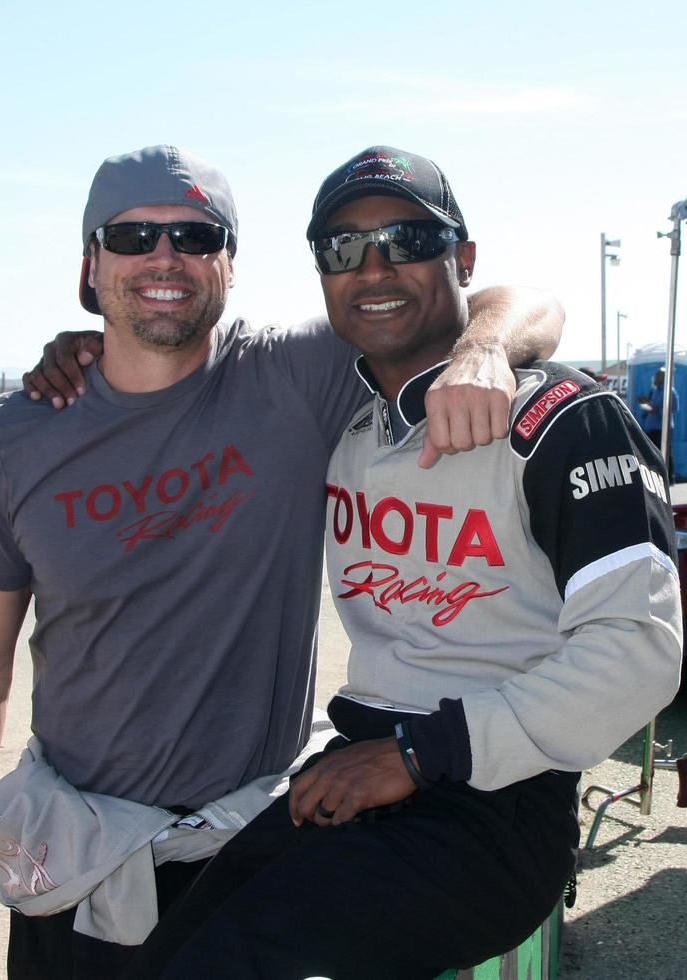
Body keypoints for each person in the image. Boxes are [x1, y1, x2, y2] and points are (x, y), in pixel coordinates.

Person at [0, 144, 564, 980]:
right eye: (133, 237)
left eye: (194, 233)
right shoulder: (15, 439)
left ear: (230, 263)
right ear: (90, 263)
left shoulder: (296, 375)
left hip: (251, 854)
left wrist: (483, 350)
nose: (164, 258)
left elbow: (523, 300)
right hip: (78, 861)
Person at [119, 147, 683, 980]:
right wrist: (81, 350)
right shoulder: (350, 424)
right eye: (343, 250)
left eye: (407, 239)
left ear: (462, 259)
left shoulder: (563, 420)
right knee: (165, 953)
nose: (374, 267)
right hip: (357, 761)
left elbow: (641, 657)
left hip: (492, 800)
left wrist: (422, 755)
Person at [638, 366, 680, 481]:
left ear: (663, 378)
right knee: (652, 452)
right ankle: (656, 476)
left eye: (658, 376)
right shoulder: (655, 390)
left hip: (662, 427)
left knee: (666, 452)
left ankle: (670, 477)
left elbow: (674, 408)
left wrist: (657, 410)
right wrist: (646, 404)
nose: (655, 378)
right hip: (651, 426)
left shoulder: (670, 391)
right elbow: (652, 404)